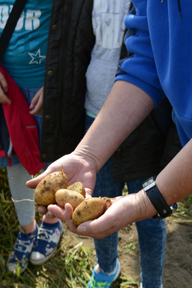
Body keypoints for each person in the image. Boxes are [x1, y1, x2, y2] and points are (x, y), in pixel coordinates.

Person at [28, 1, 183, 288]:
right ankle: (106, 268)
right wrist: (87, 152)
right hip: (97, 122)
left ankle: (152, 282)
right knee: (99, 206)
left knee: (149, 217)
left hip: (147, 130)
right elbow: (77, 48)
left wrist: (149, 201)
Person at [0, 0, 64, 273]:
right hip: (7, 93)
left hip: (46, 90)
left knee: (53, 165)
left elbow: (75, 27)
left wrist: (57, 79)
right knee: (15, 166)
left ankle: (52, 221)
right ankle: (27, 230)